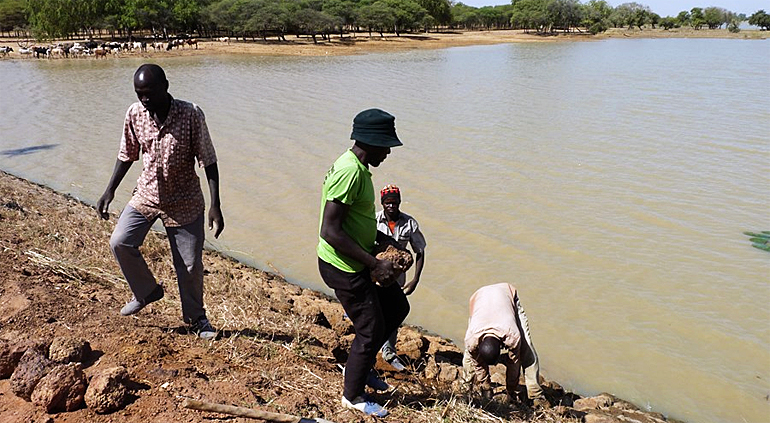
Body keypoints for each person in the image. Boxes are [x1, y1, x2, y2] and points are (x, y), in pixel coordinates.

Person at [96, 63, 224, 341]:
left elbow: (209, 161)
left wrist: (216, 205)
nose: (144, 100)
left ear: (165, 87)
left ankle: (196, 318)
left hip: (185, 199)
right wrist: (110, 190)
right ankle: (146, 291)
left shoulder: (191, 114)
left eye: (149, 93)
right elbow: (126, 154)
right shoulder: (135, 113)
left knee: (189, 266)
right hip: (148, 193)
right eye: (139, 93)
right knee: (120, 241)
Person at [317, 108, 410, 417]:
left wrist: (383, 243)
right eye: (386, 146)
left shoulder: (358, 167)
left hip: (358, 258)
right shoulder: (350, 172)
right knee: (371, 329)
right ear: (370, 141)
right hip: (343, 266)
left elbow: (355, 220)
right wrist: (374, 263)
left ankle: (363, 366)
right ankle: (353, 394)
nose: (387, 153)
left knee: (397, 308)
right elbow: (330, 231)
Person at [462, 283, 549, 408]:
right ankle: (465, 388)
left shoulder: (512, 335)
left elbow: (514, 364)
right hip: (479, 301)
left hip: (508, 297)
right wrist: (486, 386)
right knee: (469, 356)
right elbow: (477, 363)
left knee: (527, 349)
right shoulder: (471, 339)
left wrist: (511, 391)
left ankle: (536, 395)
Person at [376, 184, 426, 371]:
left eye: (394, 202)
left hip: (397, 280)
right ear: (382, 203)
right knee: (374, 312)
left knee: (394, 313)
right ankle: (369, 348)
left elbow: (420, 251)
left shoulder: (409, 224)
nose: (391, 206)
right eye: (388, 203)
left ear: (399, 202)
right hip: (375, 276)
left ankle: (388, 352)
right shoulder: (374, 221)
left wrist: (415, 279)